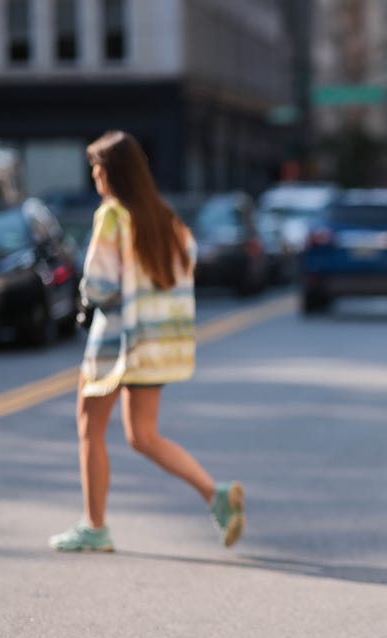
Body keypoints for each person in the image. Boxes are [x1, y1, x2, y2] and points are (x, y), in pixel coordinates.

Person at [49, 130, 245, 552]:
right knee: (143, 435)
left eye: (97, 168)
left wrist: (87, 297)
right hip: (153, 346)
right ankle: (217, 494)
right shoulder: (165, 218)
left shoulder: (113, 215)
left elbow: (99, 285)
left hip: (114, 344)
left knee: (90, 429)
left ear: (113, 172)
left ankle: (95, 527)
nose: (95, 175)